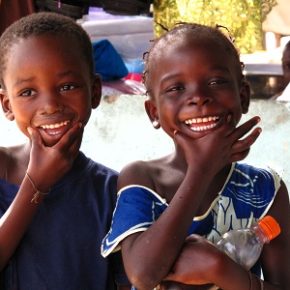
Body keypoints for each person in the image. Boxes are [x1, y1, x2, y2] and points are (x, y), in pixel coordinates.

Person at [101, 23, 290, 289]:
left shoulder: (266, 189)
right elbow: (143, 274)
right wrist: (201, 170)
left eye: (216, 82)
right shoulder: (143, 178)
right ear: (154, 112)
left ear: (243, 97)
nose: (199, 98)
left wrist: (218, 267)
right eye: (176, 88)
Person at [0, 12, 130, 290]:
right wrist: (37, 184)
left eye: (67, 86)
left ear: (94, 92)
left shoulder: (114, 191)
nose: (50, 105)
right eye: (27, 92)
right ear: (7, 104)